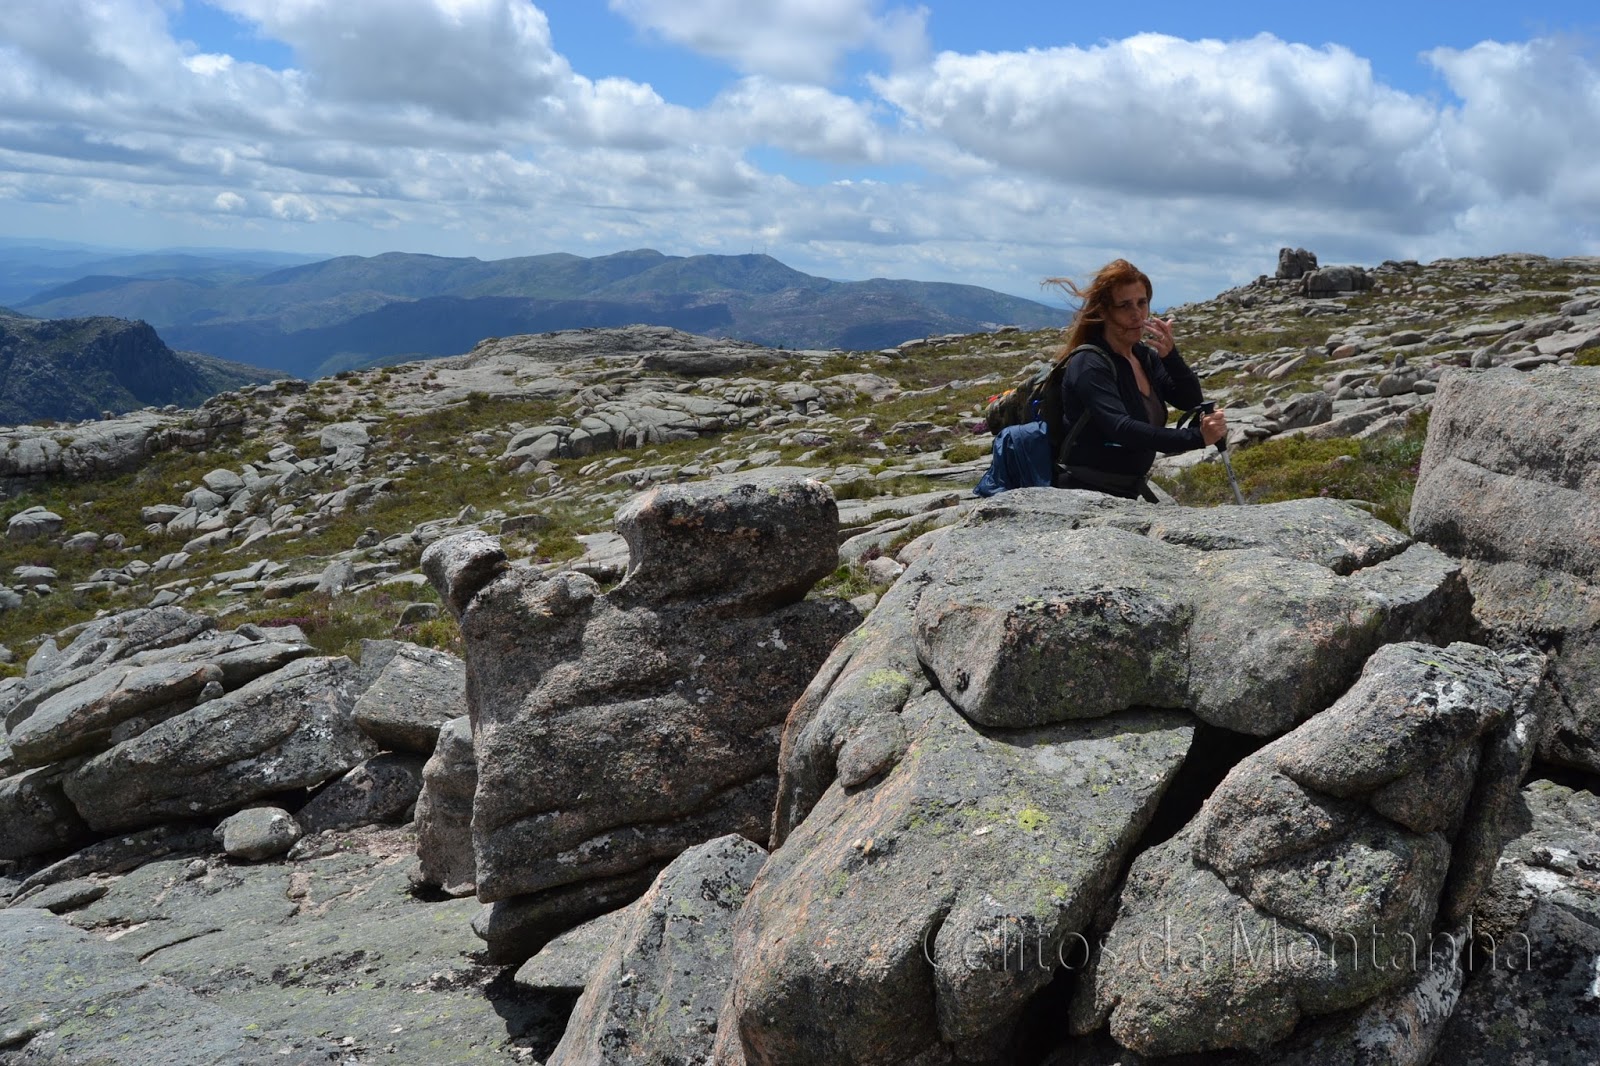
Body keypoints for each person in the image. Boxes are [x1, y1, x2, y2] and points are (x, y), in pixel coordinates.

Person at [1047, 259, 1227, 499]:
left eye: (1142, 303)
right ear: (1103, 311)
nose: (1137, 315)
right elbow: (1122, 429)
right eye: (1124, 306)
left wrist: (1171, 357)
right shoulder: (1089, 363)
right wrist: (1196, 438)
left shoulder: (1144, 357)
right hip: (1085, 491)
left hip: (1125, 490)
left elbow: (1189, 400)